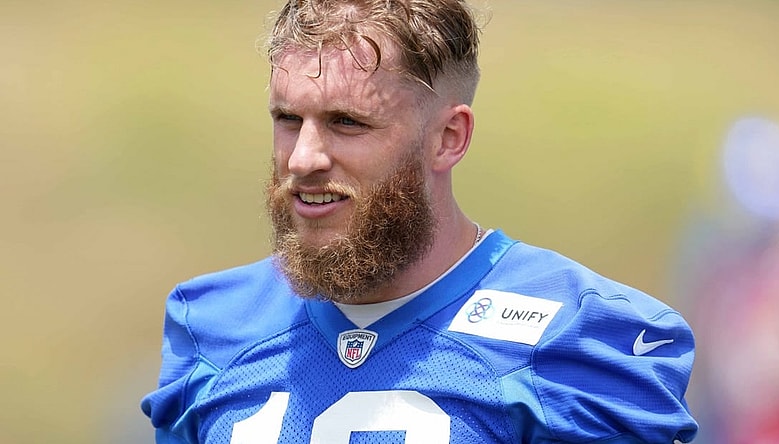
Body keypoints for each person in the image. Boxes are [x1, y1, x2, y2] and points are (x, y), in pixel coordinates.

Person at [141, 0, 699, 442]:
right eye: (288, 119)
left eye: (347, 122)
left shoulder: (575, 336)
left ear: (447, 138)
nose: (303, 158)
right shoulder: (214, 323)